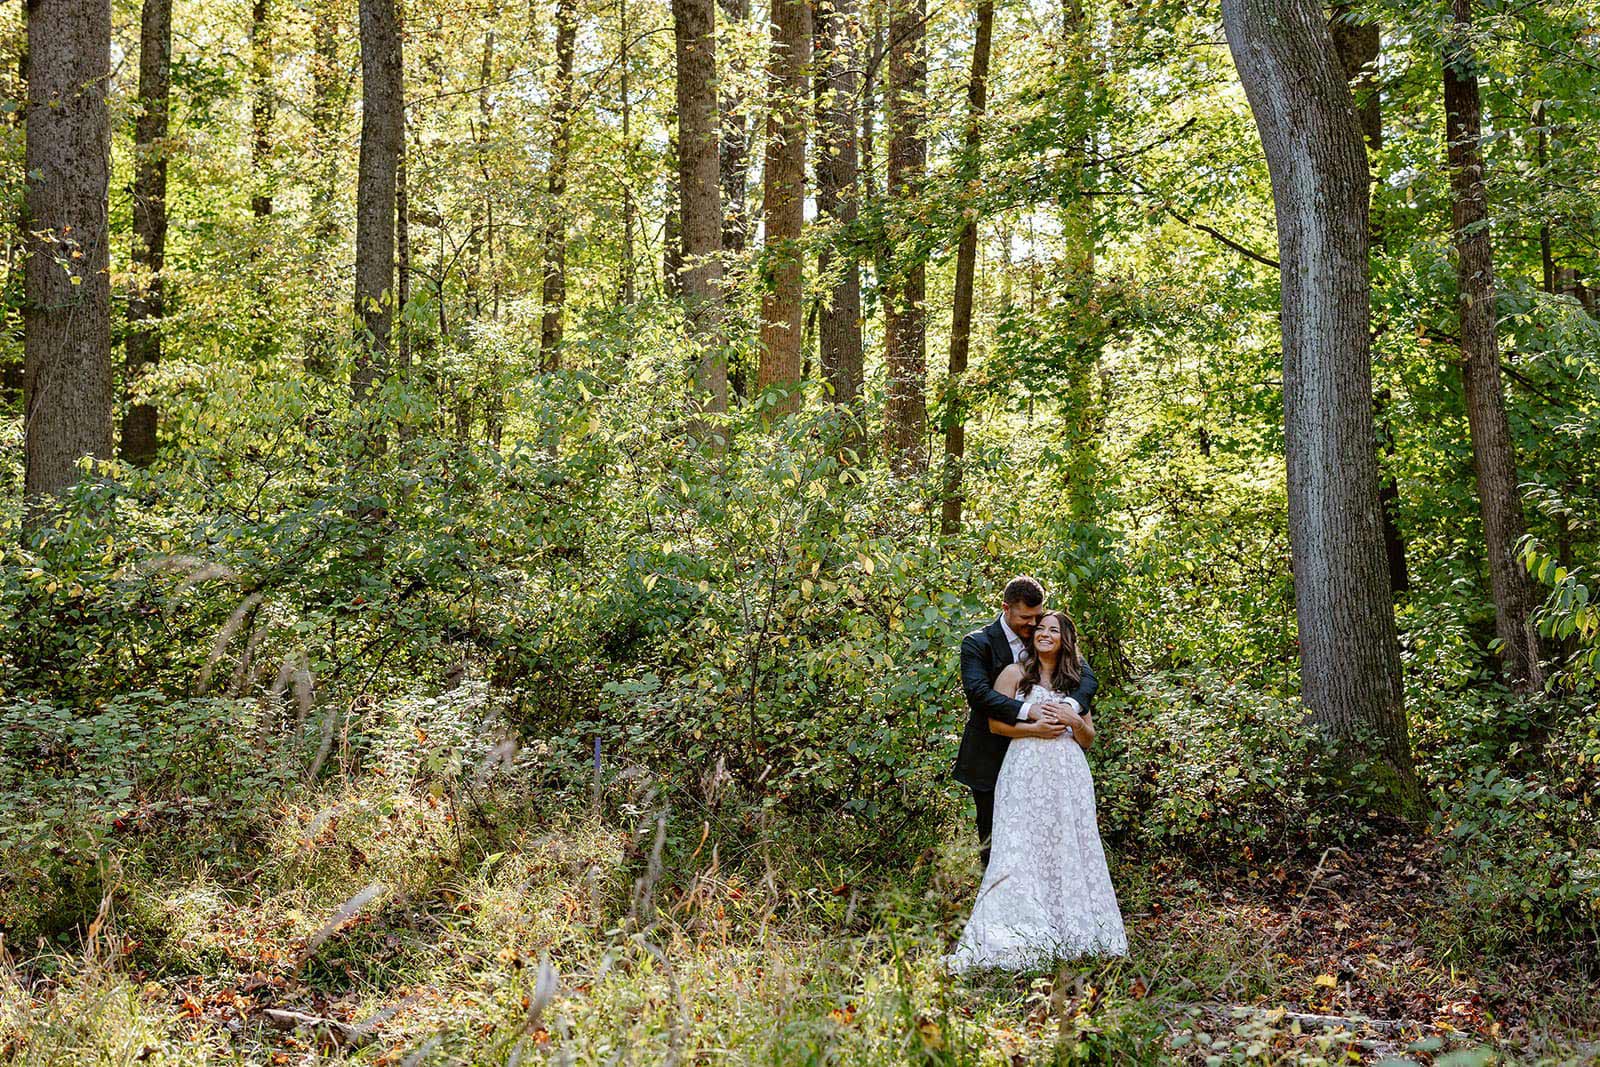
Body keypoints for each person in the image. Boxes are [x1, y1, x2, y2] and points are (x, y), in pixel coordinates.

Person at [944, 609, 1127, 972]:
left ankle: (1072, 929)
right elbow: (996, 725)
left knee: (1067, 845)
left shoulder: (1075, 683)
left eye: (1052, 629)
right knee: (1021, 845)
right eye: (1039, 628)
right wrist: (1034, 730)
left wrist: (1074, 719)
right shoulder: (1014, 674)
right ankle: (1020, 929)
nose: (1043, 633)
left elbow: (1087, 738)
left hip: (1067, 774)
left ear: (1064, 639)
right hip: (1024, 770)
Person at [951, 576, 1096, 869]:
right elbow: (979, 695)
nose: (1033, 625)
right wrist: (1031, 712)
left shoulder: (1042, 632)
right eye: (1026, 618)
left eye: (1038, 617)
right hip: (991, 753)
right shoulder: (978, 643)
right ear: (1006, 609)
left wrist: (1070, 708)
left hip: (1048, 766)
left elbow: (1086, 678)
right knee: (995, 838)